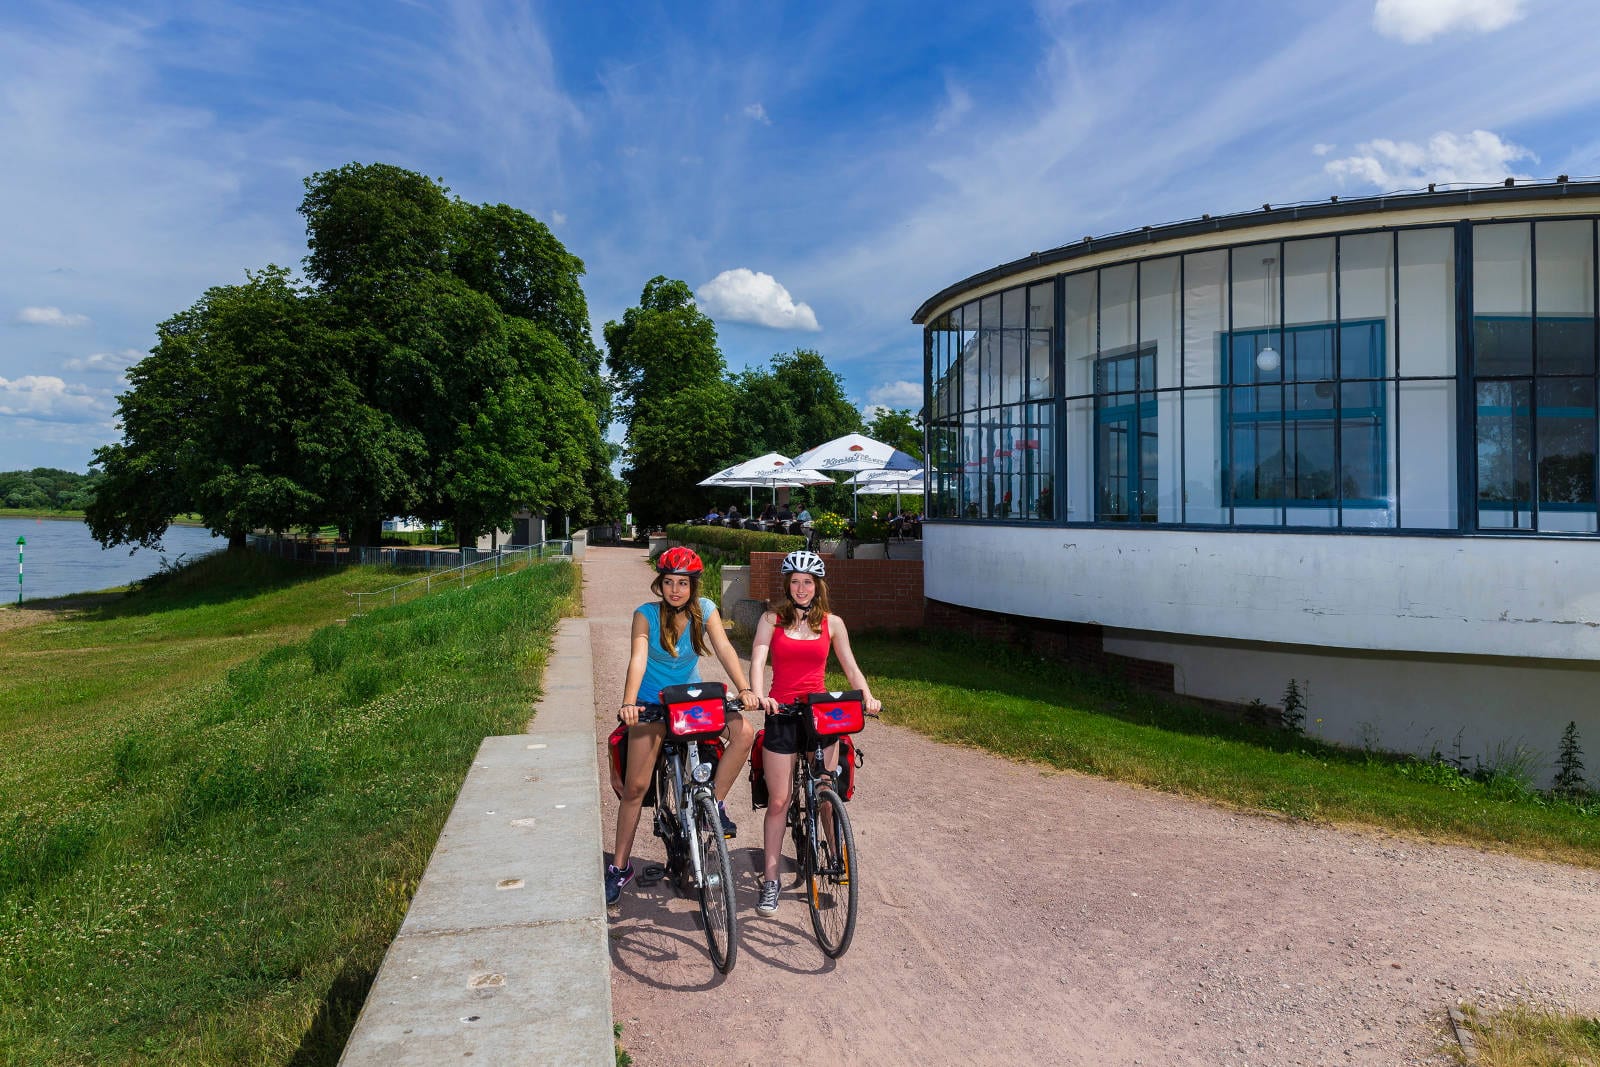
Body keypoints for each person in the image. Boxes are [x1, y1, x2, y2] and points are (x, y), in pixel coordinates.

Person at [607, 546, 757, 905]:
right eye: (670, 582)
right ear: (660, 584)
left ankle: (714, 805)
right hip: (653, 703)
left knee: (745, 732)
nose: (676, 590)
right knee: (635, 787)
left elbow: (723, 648)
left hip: (690, 701)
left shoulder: (705, 611)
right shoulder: (645, 615)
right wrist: (630, 703)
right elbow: (638, 658)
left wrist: (745, 688)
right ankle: (620, 867)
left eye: (683, 583)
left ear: (694, 586)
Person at [748, 549, 880, 916]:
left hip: (821, 715)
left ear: (817, 586)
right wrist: (759, 696)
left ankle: (835, 856)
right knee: (779, 801)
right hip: (783, 713)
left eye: (808, 582)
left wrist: (867, 696)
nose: (802, 588)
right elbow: (758, 657)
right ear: (787, 585)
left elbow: (851, 668)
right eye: (795, 582)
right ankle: (771, 880)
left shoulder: (832, 623)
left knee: (825, 791)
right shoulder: (771, 620)